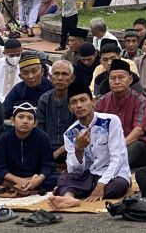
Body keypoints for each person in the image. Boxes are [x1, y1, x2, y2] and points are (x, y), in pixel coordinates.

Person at [47, 81, 131, 209]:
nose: (79, 105)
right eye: (74, 102)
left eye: (83, 100)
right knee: (63, 178)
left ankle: (72, 192)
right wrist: (78, 150)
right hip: (89, 176)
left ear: (93, 102)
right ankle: (69, 198)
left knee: (118, 186)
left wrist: (101, 184)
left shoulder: (110, 121)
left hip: (113, 174)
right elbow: (74, 171)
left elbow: (118, 157)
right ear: (70, 108)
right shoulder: (70, 133)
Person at [95, 59, 146, 168]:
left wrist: (117, 147)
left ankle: (111, 169)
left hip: (133, 144)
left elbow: (138, 130)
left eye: (121, 78)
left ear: (130, 80)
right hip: (109, 146)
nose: (116, 82)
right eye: (113, 78)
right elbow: (97, 129)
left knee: (135, 147)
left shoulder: (140, 100)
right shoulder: (102, 101)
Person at [0, 102, 57, 194]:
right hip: (13, 176)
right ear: (13, 121)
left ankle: (23, 186)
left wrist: (38, 179)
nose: (25, 121)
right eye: (21, 117)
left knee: (57, 178)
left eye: (30, 118)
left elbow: (48, 164)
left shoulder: (43, 137)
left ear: (35, 123)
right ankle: (30, 188)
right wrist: (17, 180)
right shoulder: (4, 138)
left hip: (35, 176)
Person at [37, 60, 77, 162]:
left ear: (72, 78)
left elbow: (79, 131)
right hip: (46, 148)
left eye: (64, 74)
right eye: (56, 74)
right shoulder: (44, 99)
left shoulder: (77, 100)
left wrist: (58, 152)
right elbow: (39, 129)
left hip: (72, 149)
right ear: (50, 77)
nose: (60, 78)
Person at [4, 52, 53, 117]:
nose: (30, 76)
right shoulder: (18, 89)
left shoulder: (52, 88)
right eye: (25, 73)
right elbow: (5, 111)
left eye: (34, 72)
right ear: (20, 76)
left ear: (42, 72)